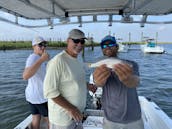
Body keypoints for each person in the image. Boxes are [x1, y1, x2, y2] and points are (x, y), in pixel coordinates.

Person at [90, 35, 144, 129]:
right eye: (104, 46)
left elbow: (136, 82)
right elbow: (97, 83)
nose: (107, 47)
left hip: (133, 119)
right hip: (110, 119)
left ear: (117, 47)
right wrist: (97, 82)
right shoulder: (100, 67)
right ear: (102, 49)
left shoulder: (131, 64)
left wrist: (129, 79)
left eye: (111, 44)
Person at [44, 29, 94, 129]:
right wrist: (71, 109)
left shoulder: (78, 59)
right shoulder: (58, 61)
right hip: (62, 121)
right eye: (76, 41)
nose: (79, 44)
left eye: (82, 41)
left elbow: (72, 79)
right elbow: (49, 91)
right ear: (68, 41)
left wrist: (87, 85)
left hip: (77, 116)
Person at [23, 36, 49, 129]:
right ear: (33, 46)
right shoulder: (33, 58)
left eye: (44, 44)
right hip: (40, 97)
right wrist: (42, 59)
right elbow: (25, 76)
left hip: (32, 96)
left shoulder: (38, 57)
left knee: (36, 117)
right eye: (40, 45)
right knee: (50, 120)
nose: (43, 47)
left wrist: (44, 59)